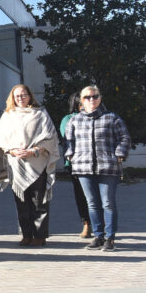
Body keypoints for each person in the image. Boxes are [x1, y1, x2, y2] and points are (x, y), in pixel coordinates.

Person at [0, 84, 60, 247]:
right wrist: (12, 151)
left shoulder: (40, 113)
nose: (20, 98)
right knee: (21, 203)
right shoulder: (8, 115)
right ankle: (26, 234)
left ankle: (40, 236)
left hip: (37, 164)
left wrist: (34, 151)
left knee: (39, 202)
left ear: (29, 96)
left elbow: (50, 137)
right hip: (17, 166)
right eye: (17, 96)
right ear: (12, 98)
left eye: (23, 95)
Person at [65, 85, 131, 252]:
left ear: (100, 98)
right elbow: (68, 141)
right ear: (82, 100)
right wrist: (70, 154)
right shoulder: (75, 120)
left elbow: (124, 137)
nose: (91, 100)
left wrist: (119, 153)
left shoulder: (112, 118)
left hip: (108, 167)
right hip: (83, 167)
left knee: (108, 203)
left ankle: (110, 238)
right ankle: (98, 235)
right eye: (87, 97)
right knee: (92, 204)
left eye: (95, 96)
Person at [59, 92, 93, 239]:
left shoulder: (98, 117)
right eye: (82, 103)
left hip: (96, 163)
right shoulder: (68, 119)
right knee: (82, 195)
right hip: (77, 164)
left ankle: (100, 224)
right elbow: (67, 139)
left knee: (96, 196)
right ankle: (86, 223)